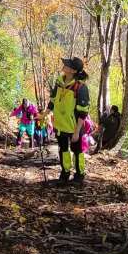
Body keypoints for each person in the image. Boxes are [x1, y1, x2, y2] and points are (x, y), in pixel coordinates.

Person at [47, 57, 90, 185]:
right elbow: (53, 101)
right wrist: (45, 114)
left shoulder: (81, 87)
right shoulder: (59, 82)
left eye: (67, 65)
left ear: (73, 70)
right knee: (63, 149)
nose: (64, 66)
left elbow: (83, 112)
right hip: (60, 124)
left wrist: (77, 132)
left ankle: (79, 175)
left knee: (77, 151)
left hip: (74, 127)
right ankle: (65, 173)